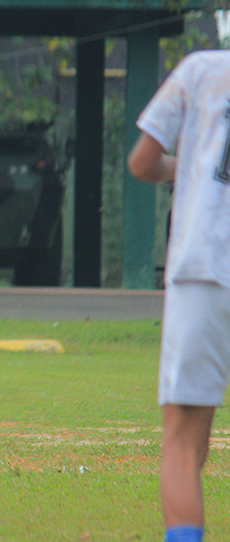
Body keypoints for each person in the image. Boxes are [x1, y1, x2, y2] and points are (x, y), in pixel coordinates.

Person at [128, 50, 230, 542]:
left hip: (205, 266)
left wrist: (187, 165)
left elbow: (142, 161)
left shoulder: (201, 71)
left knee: (185, 444)